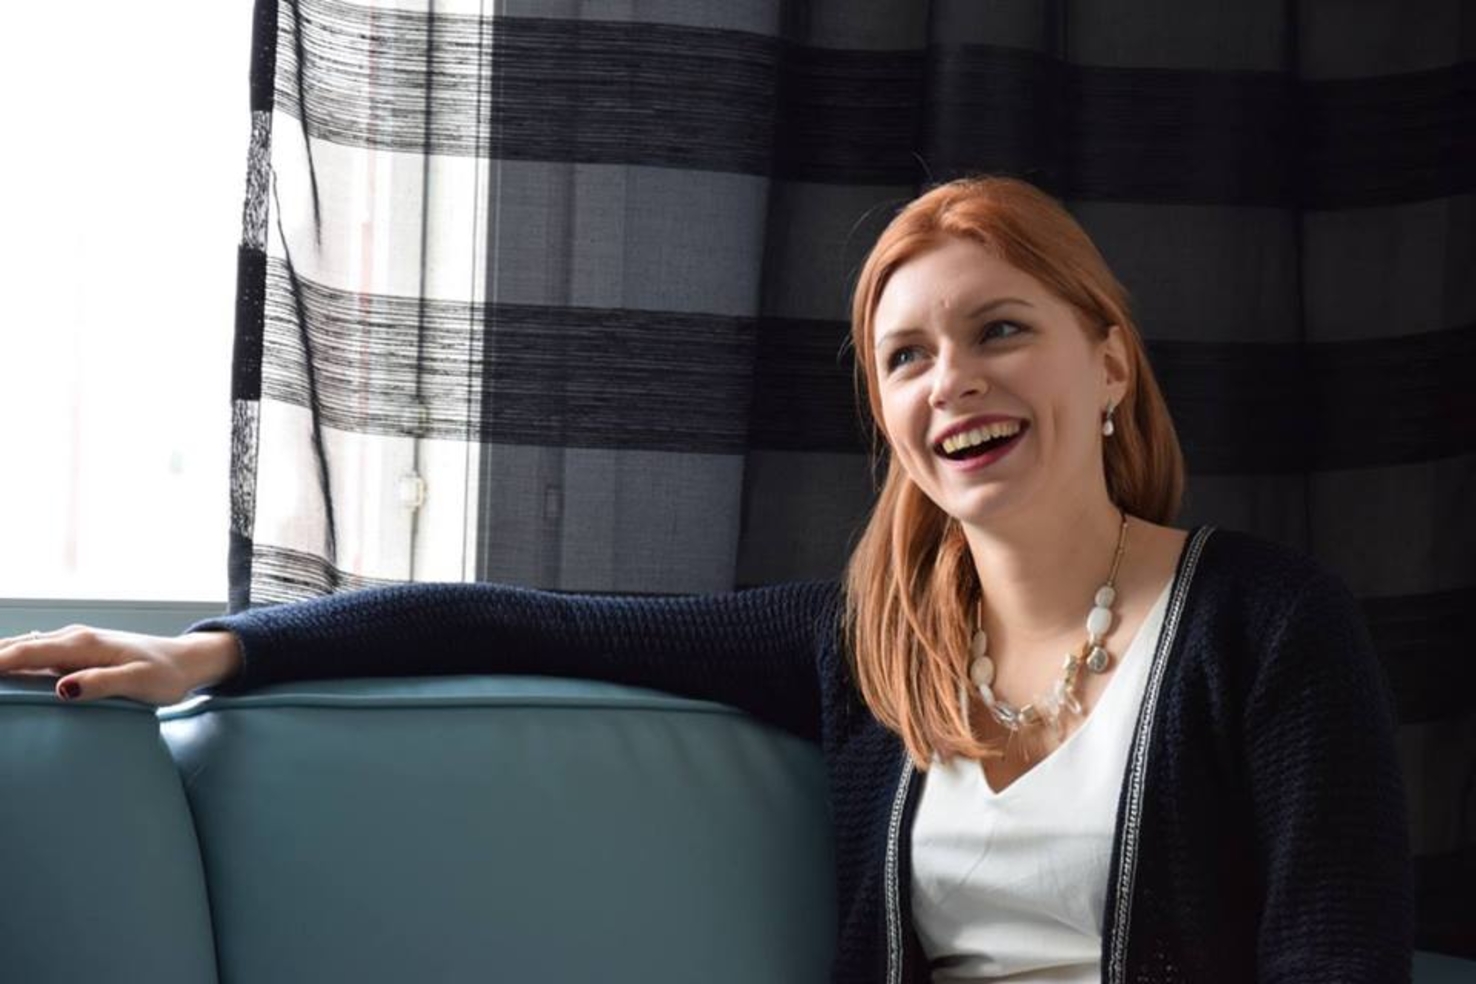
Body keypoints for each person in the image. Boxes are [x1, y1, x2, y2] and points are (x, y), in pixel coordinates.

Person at [0, 176, 1413, 982]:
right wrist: (217, 653)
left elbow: (1336, 961)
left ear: (1107, 363)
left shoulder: (1269, 627)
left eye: (999, 330)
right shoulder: (866, 642)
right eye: (906, 358)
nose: (952, 383)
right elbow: (528, 623)